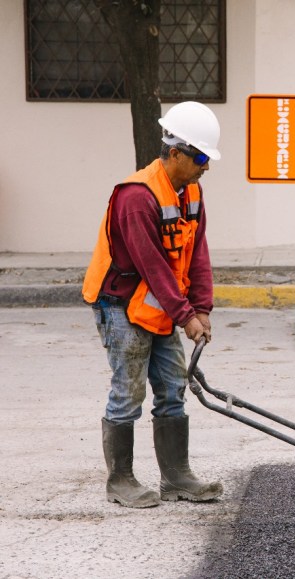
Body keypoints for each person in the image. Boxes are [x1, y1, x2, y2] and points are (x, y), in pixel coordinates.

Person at [82, 101, 224, 508]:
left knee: (174, 388)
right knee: (129, 391)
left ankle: (177, 478)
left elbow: (197, 252)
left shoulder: (192, 191)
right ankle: (120, 481)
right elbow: (153, 265)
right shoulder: (135, 197)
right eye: (200, 157)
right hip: (120, 301)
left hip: (161, 301)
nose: (205, 166)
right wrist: (185, 315)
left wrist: (203, 308)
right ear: (175, 152)